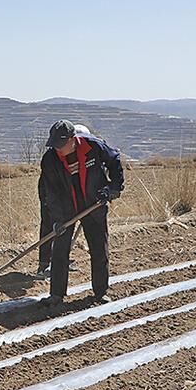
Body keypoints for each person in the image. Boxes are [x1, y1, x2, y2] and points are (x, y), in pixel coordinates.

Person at [38, 119, 125, 303]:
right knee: (60, 250)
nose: (58, 149)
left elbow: (114, 159)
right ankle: (56, 295)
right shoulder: (50, 160)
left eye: (61, 145)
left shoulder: (93, 146)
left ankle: (100, 292)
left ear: (72, 139)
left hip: (94, 203)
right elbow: (51, 193)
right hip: (65, 209)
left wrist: (113, 187)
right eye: (55, 145)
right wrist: (57, 220)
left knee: (99, 248)